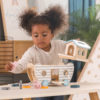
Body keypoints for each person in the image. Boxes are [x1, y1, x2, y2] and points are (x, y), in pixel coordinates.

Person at [5, 5, 73, 100]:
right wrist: (13, 67)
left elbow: (70, 48)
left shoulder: (59, 45)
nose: (40, 38)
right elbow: (21, 64)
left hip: (57, 84)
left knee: (60, 96)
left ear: (52, 35)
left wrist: (75, 45)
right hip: (40, 86)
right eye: (36, 35)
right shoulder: (32, 52)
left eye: (44, 35)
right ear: (32, 36)